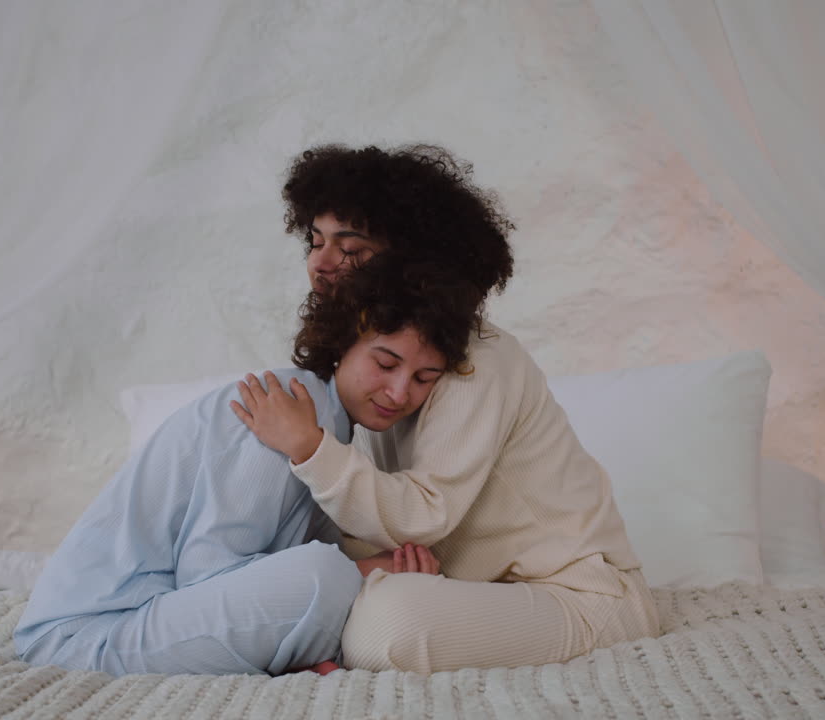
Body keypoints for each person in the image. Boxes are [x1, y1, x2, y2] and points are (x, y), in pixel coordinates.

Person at [233, 144, 661, 674]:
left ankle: (310, 644)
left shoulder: (477, 357)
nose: (320, 264)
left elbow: (421, 515)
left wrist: (308, 447)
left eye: (350, 249)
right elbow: (350, 515)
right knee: (324, 593)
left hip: (579, 598)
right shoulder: (358, 360)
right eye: (316, 242)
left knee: (387, 624)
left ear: (412, 256)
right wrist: (368, 563)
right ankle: (307, 639)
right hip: (467, 593)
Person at [14, 257, 475, 676]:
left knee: (344, 583)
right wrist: (369, 570)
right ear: (344, 345)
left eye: (423, 378)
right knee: (324, 573)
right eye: (385, 363)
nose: (399, 393)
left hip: (142, 620)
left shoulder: (330, 433)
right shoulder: (288, 408)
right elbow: (206, 572)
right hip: (84, 637)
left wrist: (383, 569)